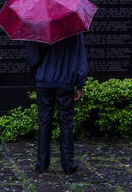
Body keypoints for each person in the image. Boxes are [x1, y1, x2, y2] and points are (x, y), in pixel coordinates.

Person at [25, 33, 88, 175]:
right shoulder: (75, 31)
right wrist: (79, 85)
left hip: (44, 81)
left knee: (44, 122)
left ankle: (41, 164)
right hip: (65, 83)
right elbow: (81, 60)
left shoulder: (41, 28)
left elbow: (30, 56)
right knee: (66, 123)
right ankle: (68, 165)